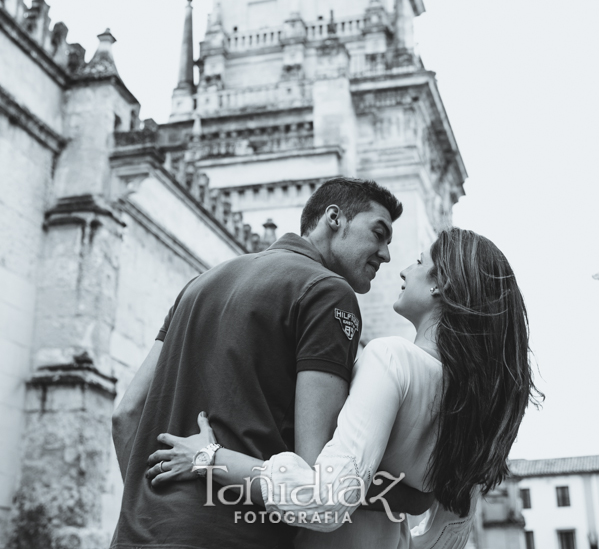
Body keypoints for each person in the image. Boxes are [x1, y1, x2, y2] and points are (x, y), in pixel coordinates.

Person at [147, 228, 543, 549]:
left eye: (419, 262)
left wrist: (207, 458)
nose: (403, 270)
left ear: (443, 286)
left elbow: (326, 501)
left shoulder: (392, 359)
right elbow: (449, 533)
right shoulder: (475, 396)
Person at [110, 176, 425, 549]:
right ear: (334, 218)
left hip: (135, 534)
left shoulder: (199, 284)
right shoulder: (328, 293)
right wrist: (412, 496)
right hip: (231, 535)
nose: (386, 254)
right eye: (378, 233)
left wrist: (148, 504)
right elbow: (317, 469)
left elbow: (126, 413)